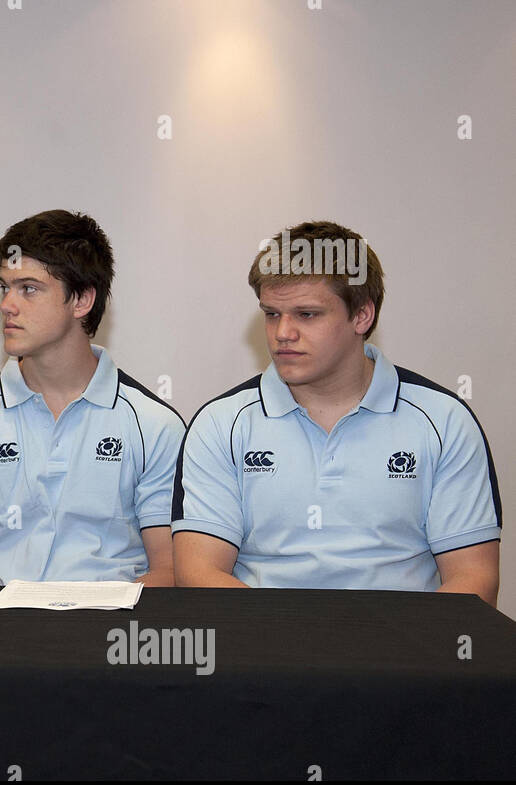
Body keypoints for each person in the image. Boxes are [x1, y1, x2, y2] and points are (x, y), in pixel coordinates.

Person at [172, 220, 500, 604]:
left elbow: (474, 580)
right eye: (272, 314)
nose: (283, 333)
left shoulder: (445, 421)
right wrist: (300, 644)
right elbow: (199, 574)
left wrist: (385, 652)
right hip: (265, 652)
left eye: (306, 314)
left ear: (362, 316)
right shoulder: (220, 424)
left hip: (402, 653)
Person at [0, 210, 185, 585]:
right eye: (5, 287)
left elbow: (168, 572)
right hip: (0, 631)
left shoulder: (155, 425)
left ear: (81, 300)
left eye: (29, 289)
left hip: (111, 635)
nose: (7, 305)